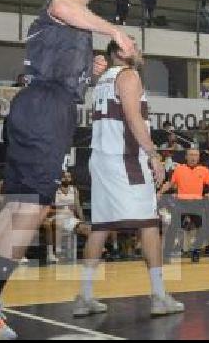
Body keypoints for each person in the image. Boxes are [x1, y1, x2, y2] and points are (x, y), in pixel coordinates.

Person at [0, 0, 134, 340]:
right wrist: (114, 32)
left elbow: (62, 56)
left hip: (36, 106)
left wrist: (89, 69)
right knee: (31, 210)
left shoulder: (72, 23)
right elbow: (62, 5)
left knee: (16, 207)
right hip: (46, 110)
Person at [74, 38, 183, 318]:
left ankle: (84, 296)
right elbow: (133, 119)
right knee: (149, 224)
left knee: (100, 226)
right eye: (134, 46)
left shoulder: (103, 80)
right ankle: (159, 295)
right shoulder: (128, 75)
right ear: (121, 52)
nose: (139, 50)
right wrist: (153, 155)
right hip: (125, 160)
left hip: (101, 159)